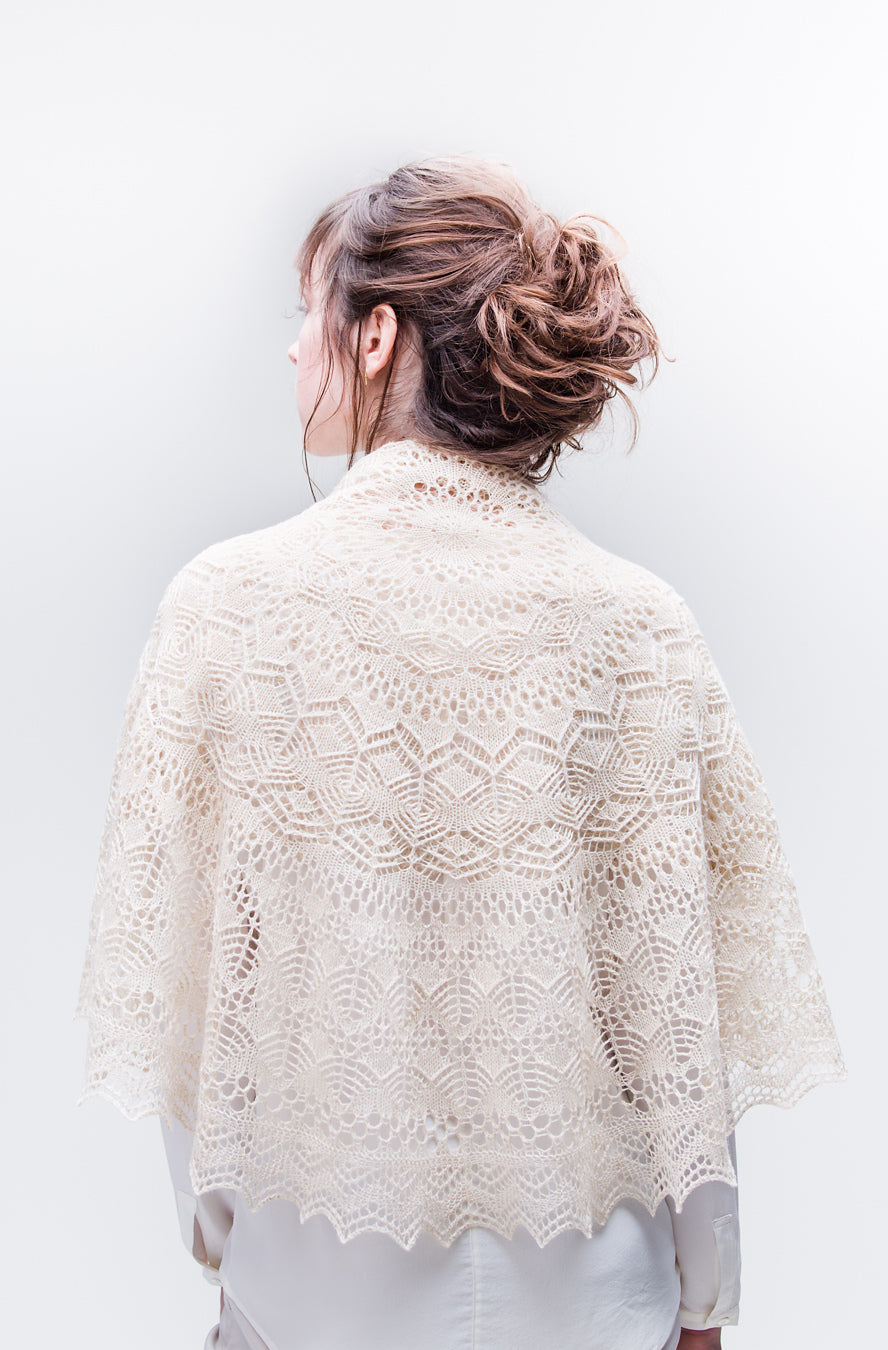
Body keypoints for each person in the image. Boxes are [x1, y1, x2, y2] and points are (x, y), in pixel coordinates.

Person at [74, 155, 846, 1350]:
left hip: (311, 1292)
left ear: (377, 334)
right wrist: (705, 1295)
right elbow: (673, 1021)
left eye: (309, 311)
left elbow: (200, 1005)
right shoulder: (638, 626)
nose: (293, 349)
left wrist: (229, 1249)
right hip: (597, 1298)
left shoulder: (227, 608)